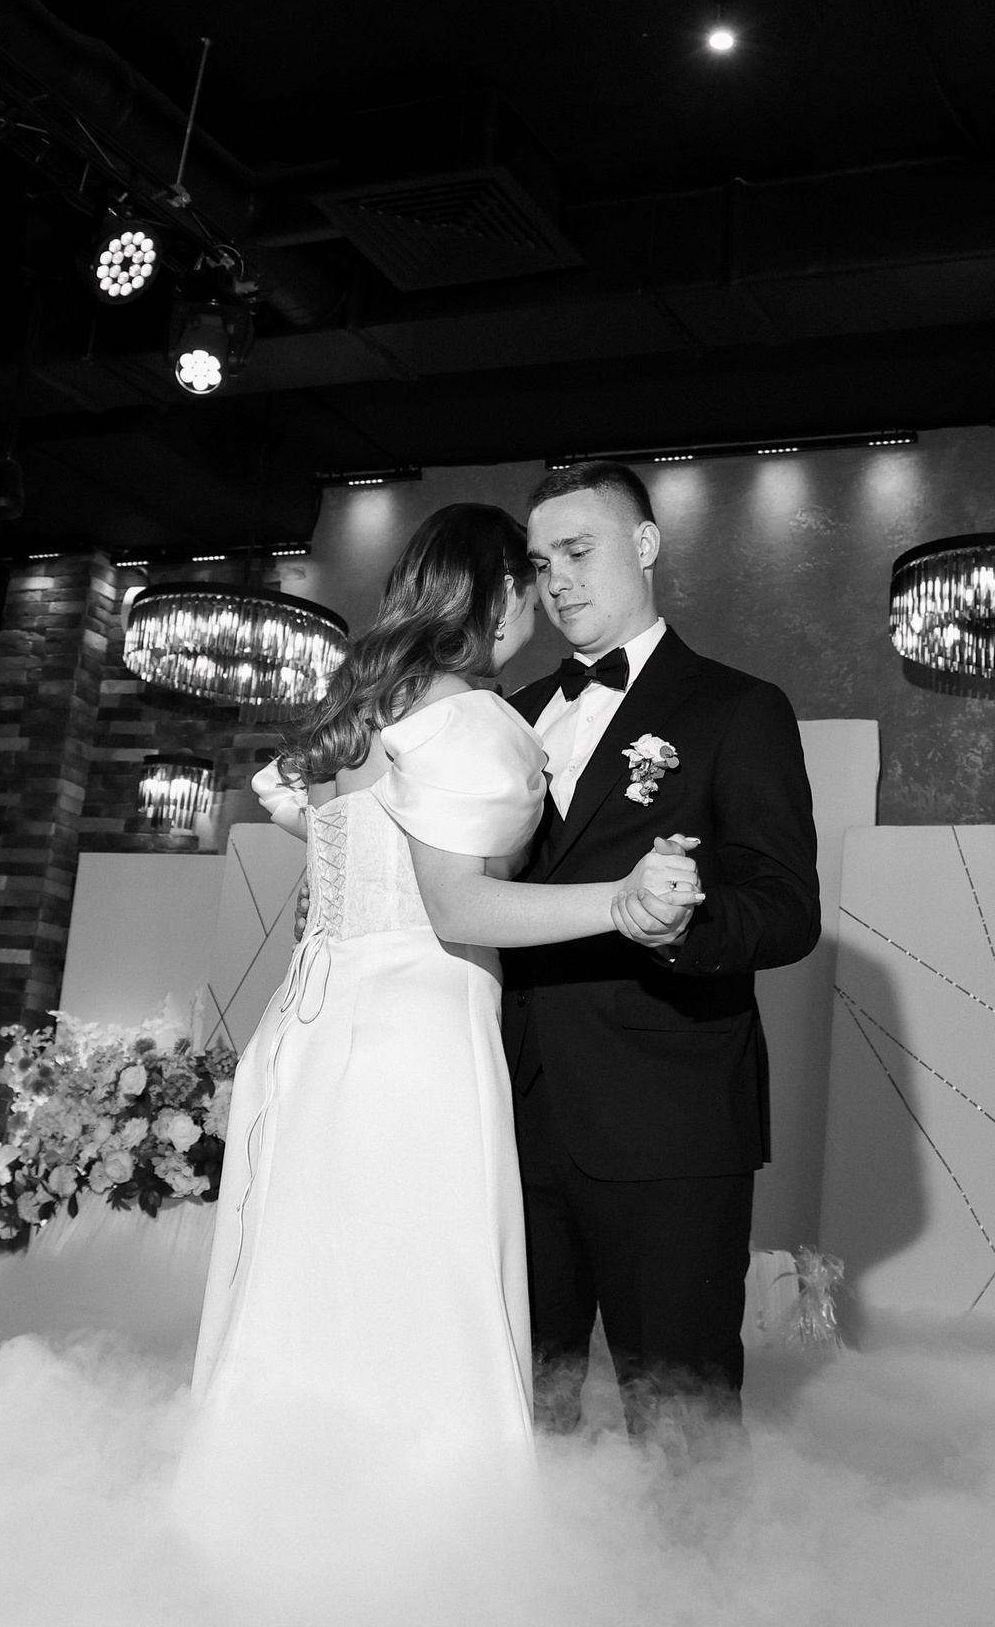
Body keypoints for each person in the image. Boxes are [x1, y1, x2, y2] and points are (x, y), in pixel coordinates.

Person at [189, 502, 702, 1484]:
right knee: (422, 1315)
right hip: (418, 1047)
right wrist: (623, 899)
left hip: (307, 1039)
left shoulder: (359, 716)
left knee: (309, 1304)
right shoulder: (468, 720)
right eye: (531, 583)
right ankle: (427, 1536)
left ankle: (277, 1518)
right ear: (497, 594)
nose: (541, 605)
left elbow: (341, 840)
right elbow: (458, 905)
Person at [504, 461, 822, 1445]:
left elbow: (787, 910)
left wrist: (682, 926)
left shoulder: (736, 706)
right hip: (513, 1109)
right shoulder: (510, 715)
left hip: (669, 1121)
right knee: (524, 1404)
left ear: (644, 545)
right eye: (540, 562)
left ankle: (697, 1558)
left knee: (680, 1417)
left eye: (577, 550)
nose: (556, 580)